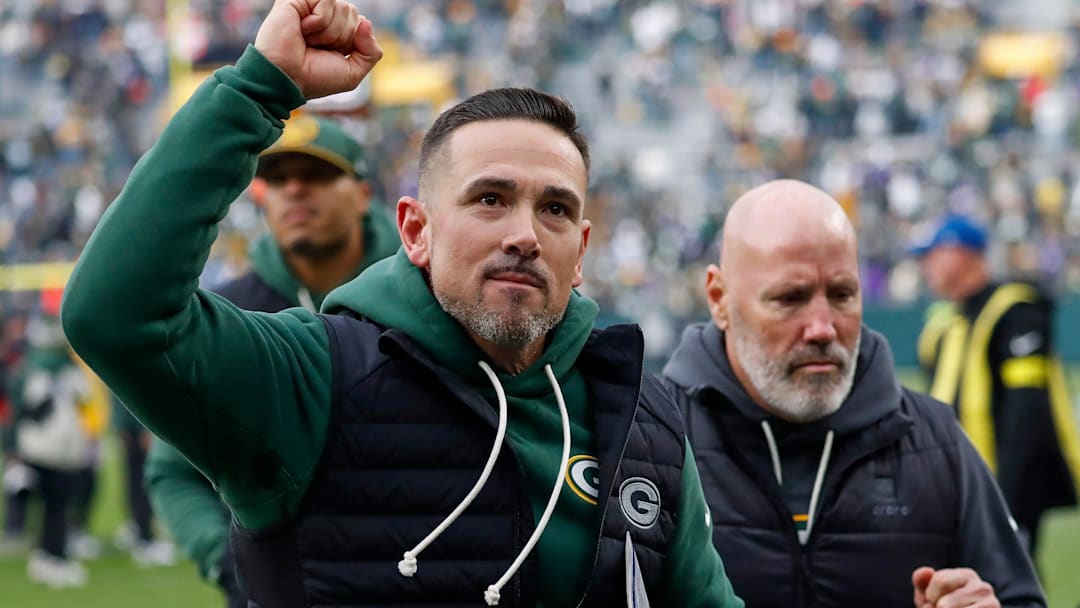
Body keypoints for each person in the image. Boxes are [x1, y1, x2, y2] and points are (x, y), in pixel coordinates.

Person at [60, 1, 741, 606]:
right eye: (489, 199)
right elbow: (116, 316)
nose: (525, 236)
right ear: (416, 230)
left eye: (555, 209)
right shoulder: (314, 375)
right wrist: (258, 86)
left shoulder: (643, 418)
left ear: (583, 249)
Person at [662, 180, 1046, 607]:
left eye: (843, 295)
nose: (823, 327)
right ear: (719, 299)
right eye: (791, 298)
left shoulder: (937, 442)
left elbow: (1020, 597)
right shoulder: (655, 440)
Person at [144, 112, 399, 608]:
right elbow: (171, 471)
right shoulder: (227, 312)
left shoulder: (423, 295)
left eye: (319, 175)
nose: (295, 192)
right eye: (277, 180)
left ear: (363, 194)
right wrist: (229, 562)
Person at [913, 214, 1080, 555]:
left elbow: (1027, 414)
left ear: (960, 255)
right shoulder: (948, 322)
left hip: (1005, 489)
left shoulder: (1016, 310)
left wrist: (1005, 499)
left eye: (932, 255)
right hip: (959, 488)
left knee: (1010, 587)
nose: (924, 265)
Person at [2, 290, 94, 588]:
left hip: (60, 450)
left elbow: (84, 398)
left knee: (56, 508)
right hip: (45, 450)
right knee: (52, 508)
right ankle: (51, 557)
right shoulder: (36, 372)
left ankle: (52, 555)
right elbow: (27, 411)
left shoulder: (61, 372)